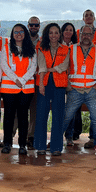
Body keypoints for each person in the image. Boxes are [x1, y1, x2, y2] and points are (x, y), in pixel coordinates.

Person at [63, 24, 96, 156]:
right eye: (84, 34)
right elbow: (64, 69)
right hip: (74, 90)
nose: (86, 36)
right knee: (66, 116)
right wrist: (68, 86)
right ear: (80, 35)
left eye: (89, 34)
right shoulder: (71, 49)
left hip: (93, 90)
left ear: (93, 35)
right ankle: (56, 140)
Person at [0, 24, 37, 155]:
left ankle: (22, 145)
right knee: (8, 116)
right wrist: (16, 79)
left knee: (23, 117)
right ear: (12, 34)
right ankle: (7, 143)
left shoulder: (31, 49)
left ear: (25, 33)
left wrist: (23, 80)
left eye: (21, 32)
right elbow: (4, 65)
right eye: (16, 32)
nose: (18, 34)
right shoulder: (6, 48)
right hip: (9, 88)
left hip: (26, 89)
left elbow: (33, 67)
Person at [35, 23, 69, 156]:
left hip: (59, 85)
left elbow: (64, 66)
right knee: (42, 115)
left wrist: (52, 69)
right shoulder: (41, 48)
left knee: (58, 116)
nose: (53, 35)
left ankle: (56, 147)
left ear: (60, 34)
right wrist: (42, 84)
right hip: (44, 83)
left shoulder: (66, 49)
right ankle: (40, 146)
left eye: (56, 33)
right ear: (47, 35)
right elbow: (41, 66)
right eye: (51, 33)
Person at [60, 22, 81, 145]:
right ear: (62, 31)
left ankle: (69, 136)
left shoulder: (77, 47)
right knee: (60, 110)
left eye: (71, 30)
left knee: (72, 110)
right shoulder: (57, 45)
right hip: (59, 80)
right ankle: (57, 134)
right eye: (66, 29)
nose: (68, 32)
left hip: (73, 82)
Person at [25, 16, 41, 149]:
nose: (34, 27)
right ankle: (12, 135)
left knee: (34, 111)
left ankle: (31, 137)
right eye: (32, 25)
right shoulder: (22, 41)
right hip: (23, 80)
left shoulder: (43, 42)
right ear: (28, 26)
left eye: (36, 25)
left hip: (37, 80)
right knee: (20, 110)